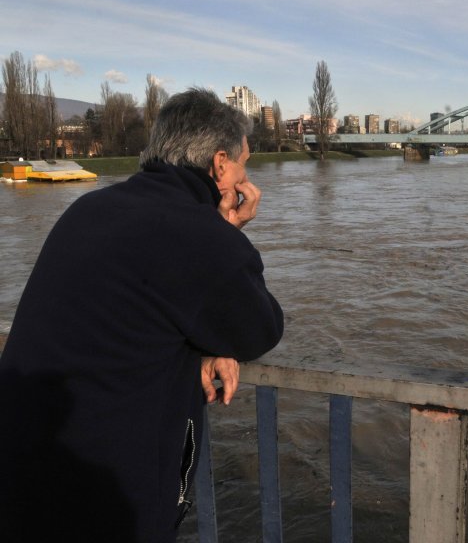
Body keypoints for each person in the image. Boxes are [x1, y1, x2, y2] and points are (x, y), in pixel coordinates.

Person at [0, 88, 284, 542]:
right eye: (244, 163)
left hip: (20, 466)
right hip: (104, 493)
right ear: (219, 165)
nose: (246, 177)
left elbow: (145, 304)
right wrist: (230, 231)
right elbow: (257, 330)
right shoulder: (198, 234)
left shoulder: (91, 207)